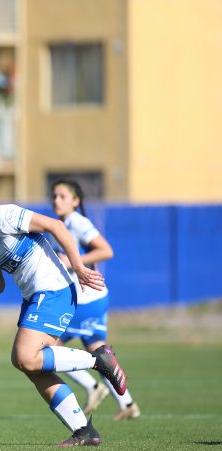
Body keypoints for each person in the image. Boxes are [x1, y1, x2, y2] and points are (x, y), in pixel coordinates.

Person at [0, 174, 127, 447]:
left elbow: (55, 226)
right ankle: (83, 430)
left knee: (25, 356)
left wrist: (78, 267)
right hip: (34, 297)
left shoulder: (3, 216)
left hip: (55, 290)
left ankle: (99, 360)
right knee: (29, 365)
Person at [51, 179, 141, 420]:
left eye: (62, 196)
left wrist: (72, 261)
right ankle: (128, 404)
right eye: (54, 196)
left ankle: (92, 387)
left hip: (86, 300)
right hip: (94, 297)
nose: (56, 200)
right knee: (99, 355)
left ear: (76, 201)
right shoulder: (63, 224)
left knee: (45, 350)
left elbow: (106, 250)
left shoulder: (77, 222)